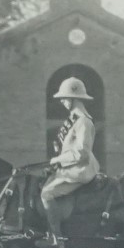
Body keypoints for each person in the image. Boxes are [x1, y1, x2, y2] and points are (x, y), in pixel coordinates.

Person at [40, 75, 104, 233]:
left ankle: (56, 236)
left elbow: (82, 153)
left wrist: (57, 159)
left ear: (73, 99)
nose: (61, 101)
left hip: (80, 169)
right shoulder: (73, 119)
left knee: (47, 193)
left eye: (64, 98)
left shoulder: (83, 121)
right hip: (70, 167)